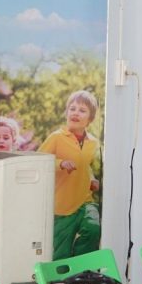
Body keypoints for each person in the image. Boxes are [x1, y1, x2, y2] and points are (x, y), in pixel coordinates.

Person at [39, 90, 101, 260]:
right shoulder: (56, 138)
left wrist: (92, 179)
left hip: (85, 200)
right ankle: (62, 276)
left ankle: (81, 268)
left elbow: (85, 166)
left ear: (90, 118)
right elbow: (39, 161)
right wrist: (60, 163)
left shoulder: (93, 142)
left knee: (93, 229)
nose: (76, 113)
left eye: (82, 110)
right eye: (72, 109)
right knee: (61, 253)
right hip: (62, 206)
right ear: (66, 113)